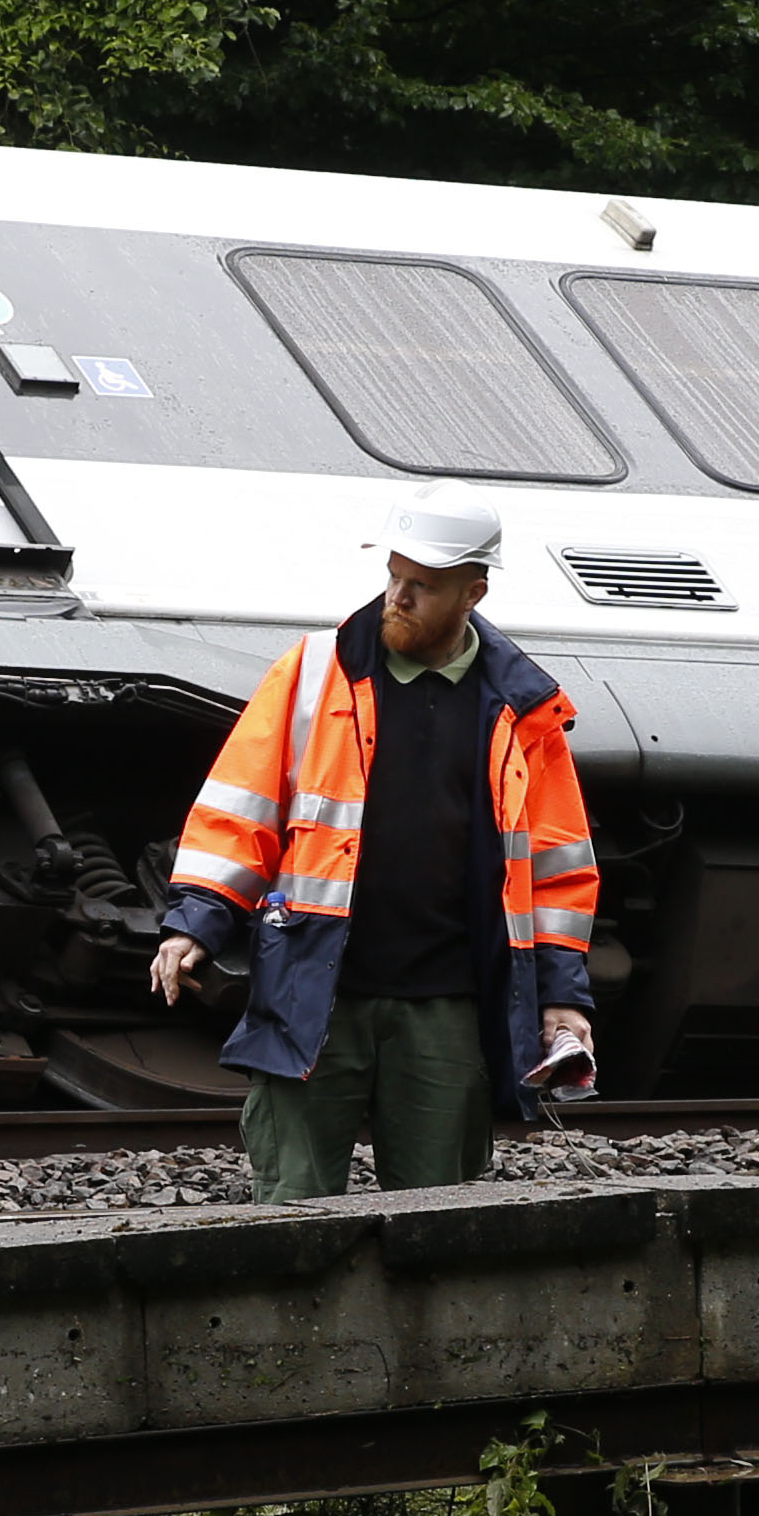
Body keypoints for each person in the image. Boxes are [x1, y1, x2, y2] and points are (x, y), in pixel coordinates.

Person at [148, 491, 600, 1201]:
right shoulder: (313, 671)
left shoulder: (524, 709)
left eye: (423, 585)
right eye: (394, 575)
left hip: (447, 1005)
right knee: (292, 1208)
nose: (398, 597)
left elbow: (558, 870)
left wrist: (562, 997)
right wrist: (194, 923)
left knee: (437, 1216)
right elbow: (240, 810)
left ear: (473, 592)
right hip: (316, 990)